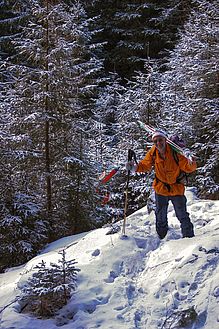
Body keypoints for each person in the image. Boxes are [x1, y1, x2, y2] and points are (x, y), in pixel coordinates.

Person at [126, 130, 197, 239]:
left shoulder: (175, 151)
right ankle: (162, 236)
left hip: (176, 188)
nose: (158, 143)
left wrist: (191, 161)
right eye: (155, 141)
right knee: (160, 215)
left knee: (182, 215)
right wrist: (134, 167)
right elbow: (146, 165)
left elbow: (189, 168)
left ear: (165, 140)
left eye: (160, 140)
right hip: (161, 188)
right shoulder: (153, 152)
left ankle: (189, 238)